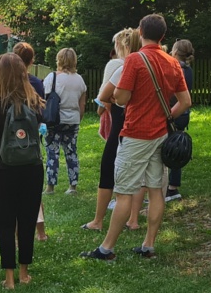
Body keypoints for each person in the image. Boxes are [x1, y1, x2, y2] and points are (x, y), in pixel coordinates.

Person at [80, 14, 191, 261]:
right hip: (161, 135)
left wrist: (118, 95)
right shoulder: (172, 63)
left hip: (135, 133)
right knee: (155, 191)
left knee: (124, 193)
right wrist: (166, 118)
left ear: (141, 32)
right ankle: (148, 245)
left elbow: (121, 98)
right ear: (163, 36)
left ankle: (106, 248)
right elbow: (185, 102)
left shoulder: (134, 60)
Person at [0, 53, 45, 289]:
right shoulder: (35, 100)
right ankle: (24, 273)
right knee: (28, 220)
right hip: (32, 167)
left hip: (2, 167)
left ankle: (9, 278)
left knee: (5, 222)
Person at [81, 28, 142, 231]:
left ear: (123, 46)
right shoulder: (145, 66)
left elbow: (103, 96)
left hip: (119, 127)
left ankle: (98, 221)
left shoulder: (120, 68)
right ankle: (133, 219)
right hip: (139, 127)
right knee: (137, 174)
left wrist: (113, 101)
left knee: (108, 169)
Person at [13, 42, 48, 241]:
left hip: (11, 142)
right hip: (33, 140)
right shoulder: (36, 83)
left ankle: (17, 235)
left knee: (15, 192)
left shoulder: (8, 83)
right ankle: (40, 232)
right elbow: (40, 111)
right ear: (31, 61)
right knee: (34, 189)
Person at [42, 48, 87, 195]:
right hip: (72, 120)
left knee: (52, 153)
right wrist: (78, 119)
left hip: (55, 120)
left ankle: (50, 186)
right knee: (71, 152)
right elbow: (82, 104)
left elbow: (45, 98)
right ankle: (72, 186)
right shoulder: (79, 80)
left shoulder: (52, 77)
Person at [166, 39, 194, 202]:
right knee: (177, 148)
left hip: (174, 112)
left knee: (168, 149)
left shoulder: (176, 69)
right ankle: (173, 186)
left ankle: (167, 188)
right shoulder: (188, 69)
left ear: (175, 52)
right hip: (184, 113)